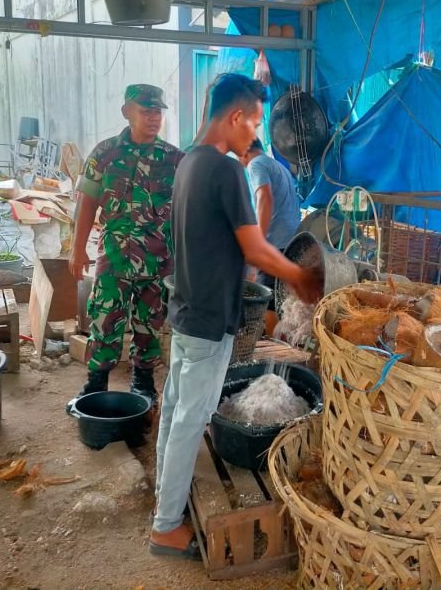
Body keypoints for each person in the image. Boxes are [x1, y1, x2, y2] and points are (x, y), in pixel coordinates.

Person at [148, 74, 321, 558]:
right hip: (207, 317)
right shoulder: (225, 170)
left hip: (184, 308)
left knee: (176, 410)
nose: (255, 135)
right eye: (254, 123)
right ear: (235, 117)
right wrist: (300, 278)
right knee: (189, 419)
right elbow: (254, 247)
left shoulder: (187, 163)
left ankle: (167, 503)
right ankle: (165, 527)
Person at [68, 84, 184, 405]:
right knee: (105, 317)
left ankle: (143, 381)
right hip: (114, 256)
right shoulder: (105, 153)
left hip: (158, 259)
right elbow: (87, 201)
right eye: (146, 110)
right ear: (127, 112)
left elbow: (190, 208)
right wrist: (78, 249)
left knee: (149, 323)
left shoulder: (174, 159)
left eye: (157, 111)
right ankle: (96, 381)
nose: (153, 117)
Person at [238, 139, 301, 291]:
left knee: (265, 302)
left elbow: (264, 198)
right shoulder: (279, 167)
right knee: (281, 299)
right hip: (291, 243)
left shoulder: (256, 164)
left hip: (274, 244)